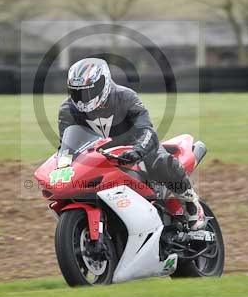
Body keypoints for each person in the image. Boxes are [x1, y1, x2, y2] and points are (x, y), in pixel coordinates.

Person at [58, 57, 206, 230]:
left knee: (159, 161)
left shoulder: (125, 97)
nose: (82, 99)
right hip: (100, 158)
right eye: (77, 93)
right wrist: (63, 166)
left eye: (88, 92)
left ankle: (191, 205)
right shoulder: (67, 111)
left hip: (136, 148)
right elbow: (67, 147)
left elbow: (146, 129)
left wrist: (138, 151)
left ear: (103, 83)